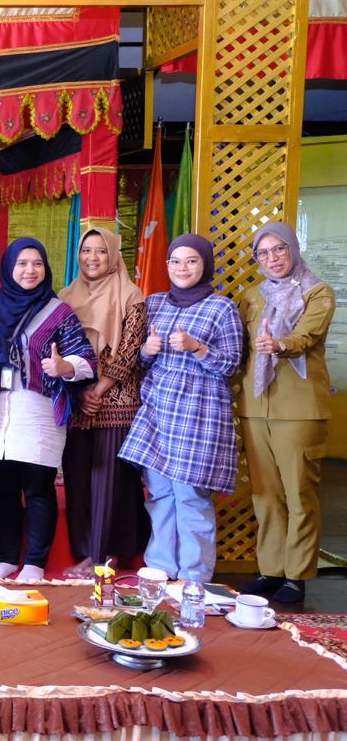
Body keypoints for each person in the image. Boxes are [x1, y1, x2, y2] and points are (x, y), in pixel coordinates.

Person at [119, 233, 243, 582]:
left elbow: (232, 365)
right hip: (158, 410)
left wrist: (197, 348)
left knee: (190, 496)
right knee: (159, 493)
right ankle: (161, 567)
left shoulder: (222, 308)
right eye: (175, 261)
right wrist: (147, 351)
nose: (182, 268)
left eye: (191, 261)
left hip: (199, 413)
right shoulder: (155, 303)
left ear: (205, 264)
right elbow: (139, 361)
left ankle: (194, 577)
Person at [0, 238, 97, 583]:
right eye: (22, 263)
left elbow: (87, 360)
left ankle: (34, 561)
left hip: (39, 409)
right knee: (1, 487)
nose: (30, 270)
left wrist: (63, 367)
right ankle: (6, 558)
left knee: (38, 487)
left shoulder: (58, 312)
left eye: (37, 263)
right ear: (9, 268)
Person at [237, 223, 334, 603]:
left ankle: (297, 575)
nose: (272, 258)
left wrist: (279, 345)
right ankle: (271, 569)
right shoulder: (251, 296)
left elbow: (306, 337)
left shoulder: (317, 291)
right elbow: (239, 349)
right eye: (263, 253)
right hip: (254, 407)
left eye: (279, 249)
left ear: (293, 248)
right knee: (265, 494)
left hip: (299, 409)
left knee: (299, 494)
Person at [58, 228, 149, 578]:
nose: (92, 258)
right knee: (79, 480)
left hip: (117, 401)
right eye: (86, 250)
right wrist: (81, 392)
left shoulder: (130, 294)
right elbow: (59, 349)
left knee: (110, 482)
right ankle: (86, 553)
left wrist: (99, 389)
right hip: (77, 400)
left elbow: (129, 351)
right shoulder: (66, 297)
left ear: (113, 255)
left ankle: (105, 556)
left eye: (101, 251)